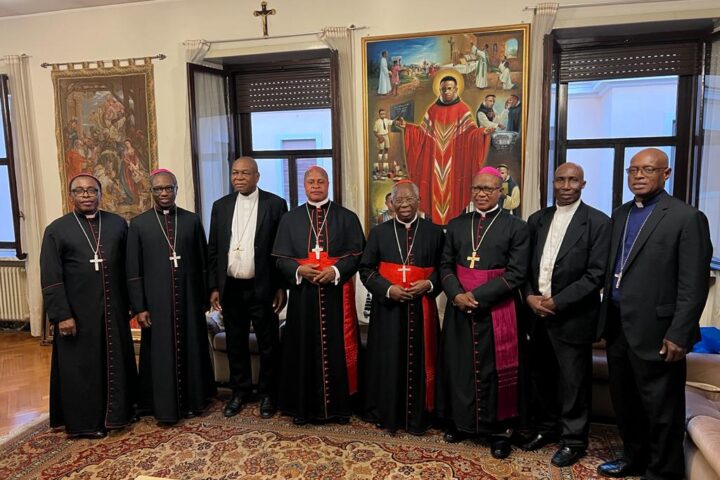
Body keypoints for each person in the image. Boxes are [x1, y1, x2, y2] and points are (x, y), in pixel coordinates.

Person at [596, 148, 712, 480]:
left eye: (648, 170)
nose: (639, 176)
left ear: (666, 173)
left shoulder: (686, 217)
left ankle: (662, 472)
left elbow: (693, 284)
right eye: (633, 170)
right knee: (626, 402)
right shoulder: (619, 214)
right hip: (618, 325)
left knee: (662, 409)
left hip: (660, 331)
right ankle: (634, 458)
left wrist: (679, 333)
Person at [437, 166, 529, 459]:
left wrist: (476, 296)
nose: (482, 194)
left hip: (497, 308)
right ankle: (462, 423)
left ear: (500, 192)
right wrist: (456, 295)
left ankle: (499, 430)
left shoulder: (517, 227)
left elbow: (516, 274)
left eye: (488, 189)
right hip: (459, 306)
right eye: (477, 188)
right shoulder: (456, 224)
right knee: (460, 365)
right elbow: (445, 266)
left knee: (495, 370)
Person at [522, 163, 611, 467]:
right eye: (560, 179)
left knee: (574, 382)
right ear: (554, 182)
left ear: (583, 184)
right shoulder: (537, 220)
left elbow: (596, 274)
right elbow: (525, 266)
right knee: (541, 376)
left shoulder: (598, 222)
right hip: (537, 314)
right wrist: (529, 296)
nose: (566, 185)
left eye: (573, 180)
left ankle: (574, 441)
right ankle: (546, 429)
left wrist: (558, 302)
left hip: (573, 316)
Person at [40, 173, 137, 439]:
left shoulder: (117, 224)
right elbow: (50, 277)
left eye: (91, 191)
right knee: (83, 369)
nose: (86, 195)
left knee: (116, 360)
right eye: (79, 191)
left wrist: (131, 304)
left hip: (113, 309)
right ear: (71, 196)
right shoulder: (57, 230)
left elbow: (127, 268)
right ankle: (85, 423)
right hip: (78, 314)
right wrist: (62, 315)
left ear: (100, 194)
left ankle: (120, 414)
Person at [272, 166, 365, 425]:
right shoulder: (290, 219)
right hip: (303, 297)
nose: (315, 186)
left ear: (328, 184)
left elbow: (357, 255)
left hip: (337, 296)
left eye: (320, 181)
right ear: (304, 185)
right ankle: (303, 408)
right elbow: (280, 259)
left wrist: (335, 270)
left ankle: (340, 407)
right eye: (311, 182)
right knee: (303, 348)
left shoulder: (346, 217)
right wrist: (299, 269)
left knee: (338, 348)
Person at [126, 169, 216, 425]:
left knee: (192, 347)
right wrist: (140, 307)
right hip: (156, 303)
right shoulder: (139, 224)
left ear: (176, 189)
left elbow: (202, 262)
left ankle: (195, 401)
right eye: (158, 189)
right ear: (151, 191)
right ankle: (160, 404)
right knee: (160, 352)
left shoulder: (191, 220)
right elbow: (133, 270)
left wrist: (205, 296)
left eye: (169, 188)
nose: (164, 193)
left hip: (188, 299)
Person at [360, 180, 445, 435]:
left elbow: (445, 269)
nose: (404, 204)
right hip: (388, 310)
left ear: (419, 201)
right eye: (399, 200)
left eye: (409, 199)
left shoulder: (434, 232)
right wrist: (388, 289)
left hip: (422, 309)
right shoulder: (379, 233)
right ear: (391, 203)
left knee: (421, 358)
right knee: (388, 359)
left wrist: (428, 284)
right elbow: (365, 269)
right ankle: (388, 413)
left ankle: (422, 414)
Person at [207, 156, 288, 418]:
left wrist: (280, 287)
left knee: (268, 343)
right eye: (235, 173)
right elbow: (214, 250)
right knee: (235, 343)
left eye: (245, 173)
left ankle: (268, 394)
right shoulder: (220, 206)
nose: (239, 178)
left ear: (257, 176)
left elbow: (281, 251)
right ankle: (239, 392)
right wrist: (214, 287)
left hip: (262, 286)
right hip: (230, 287)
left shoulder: (275, 204)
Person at [396, 73, 491, 225]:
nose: (446, 92)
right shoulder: (432, 110)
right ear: (439, 90)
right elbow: (421, 135)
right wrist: (407, 127)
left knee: (455, 204)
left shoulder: (463, 110)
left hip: (455, 168)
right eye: (443, 89)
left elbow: (471, 134)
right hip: (434, 168)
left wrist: (482, 133)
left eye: (449, 88)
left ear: (456, 89)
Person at [373, 109, 392, 178]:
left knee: (387, 147)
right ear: (379, 114)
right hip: (380, 136)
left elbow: (392, 122)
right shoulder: (377, 122)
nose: (383, 115)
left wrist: (397, 120)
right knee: (381, 149)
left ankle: (386, 158)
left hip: (386, 135)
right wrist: (379, 137)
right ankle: (380, 159)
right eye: (381, 114)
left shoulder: (387, 120)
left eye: (384, 113)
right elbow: (374, 131)